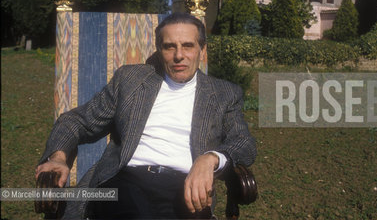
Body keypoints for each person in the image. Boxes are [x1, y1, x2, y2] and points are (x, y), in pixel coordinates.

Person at [35, 12, 257, 219]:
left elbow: (243, 143)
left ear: (202, 50)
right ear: (160, 50)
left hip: (186, 188)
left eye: (188, 46)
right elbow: (77, 121)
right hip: (125, 181)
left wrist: (211, 158)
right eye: (170, 47)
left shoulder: (224, 93)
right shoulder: (131, 81)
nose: (179, 55)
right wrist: (58, 157)